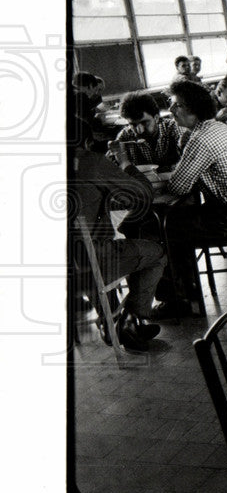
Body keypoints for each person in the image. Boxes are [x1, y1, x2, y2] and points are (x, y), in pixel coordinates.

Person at [155, 81, 227, 316]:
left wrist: (173, 171)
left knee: (166, 227)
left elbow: (179, 186)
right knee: (178, 220)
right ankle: (187, 294)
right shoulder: (218, 128)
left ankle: (178, 300)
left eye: (176, 106)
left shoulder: (201, 139)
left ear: (192, 108)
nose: (171, 111)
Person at [72, 139, 168, 352]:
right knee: (157, 254)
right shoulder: (90, 161)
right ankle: (129, 320)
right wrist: (124, 163)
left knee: (85, 249)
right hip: (92, 262)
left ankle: (112, 319)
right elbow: (142, 196)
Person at [107, 91, 185, 169]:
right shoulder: (125, 136)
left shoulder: (173, 128)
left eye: (144, 122)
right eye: (133, 124)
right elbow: (108, 169)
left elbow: (188, 163)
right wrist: (115, 155)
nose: (140, 130)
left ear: (156, 118)